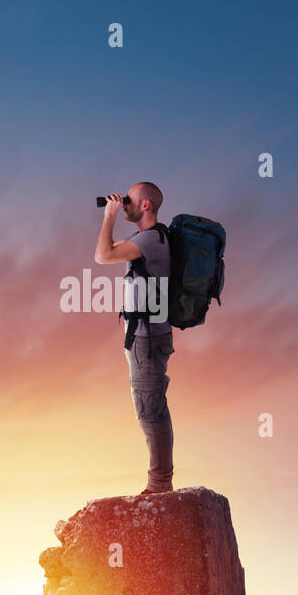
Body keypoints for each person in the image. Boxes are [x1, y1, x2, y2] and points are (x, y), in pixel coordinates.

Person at [94, 183, 173, 494]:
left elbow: (102, 255)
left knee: (151, 411)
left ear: (145, 205)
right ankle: (160, 482)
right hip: (147, 336)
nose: (124, 203)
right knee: (151, 407)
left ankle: (159, 485)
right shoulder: (152, 238)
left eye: (129, 199)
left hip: (147, 338)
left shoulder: (152, 240)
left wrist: (109, 215)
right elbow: (111, 249)